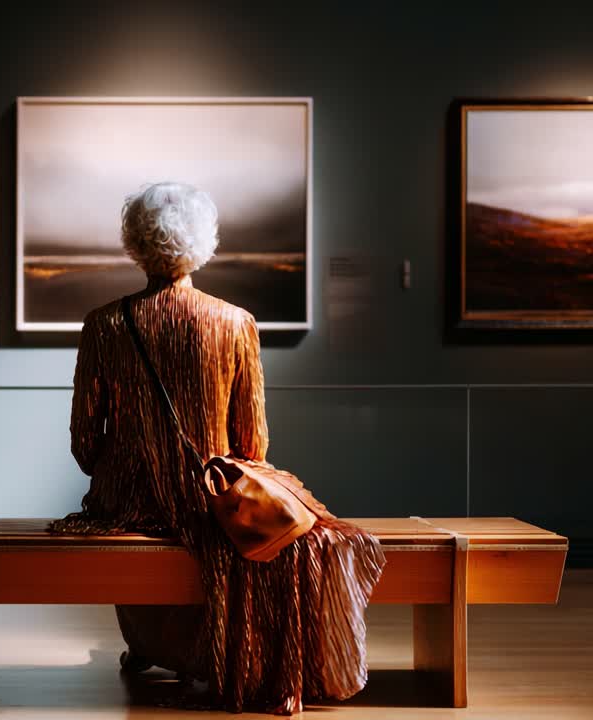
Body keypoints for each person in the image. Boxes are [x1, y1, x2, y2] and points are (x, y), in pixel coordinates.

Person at [49, 182, 385, 715]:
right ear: (203, 242)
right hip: (209, 501)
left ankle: (152, 645)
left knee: (130, 517)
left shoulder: (104, 325)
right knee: (300, 531)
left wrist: (131, 463)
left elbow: (85, 445)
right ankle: (219, 654)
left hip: (126, 501)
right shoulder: (235, 323)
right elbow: (253, 443)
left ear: (135, 242)